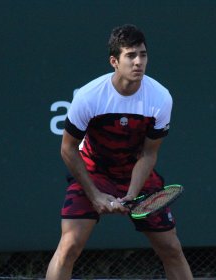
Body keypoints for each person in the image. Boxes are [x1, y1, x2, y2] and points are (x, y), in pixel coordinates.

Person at [46, 24, 193, 280]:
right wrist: (94, 194)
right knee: (69, 246)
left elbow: (149, 154)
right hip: (93, 172)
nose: (139, 62)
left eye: (143, 55)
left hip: (135, 174)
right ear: (114, 61)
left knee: (171, 248)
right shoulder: (89, 97)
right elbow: (68, 149)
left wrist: (132, 195)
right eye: (131, 55)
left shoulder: (160, 98)